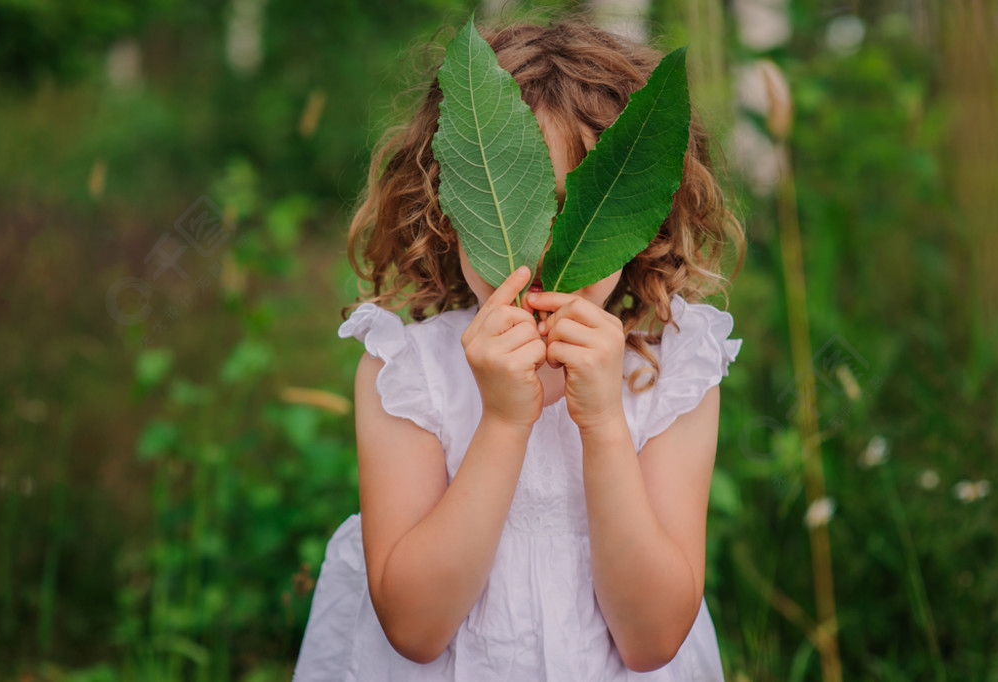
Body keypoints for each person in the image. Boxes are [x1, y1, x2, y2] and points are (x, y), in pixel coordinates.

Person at [294, 17, 745, 682]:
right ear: (454, 215)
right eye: (513, 210)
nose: (538, 253)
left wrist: (603, 426)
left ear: (634, 223)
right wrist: (504, 422)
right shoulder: (408, 374)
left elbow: (651, 641)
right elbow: (415, 630)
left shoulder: (670, 371)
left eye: (570, 209)